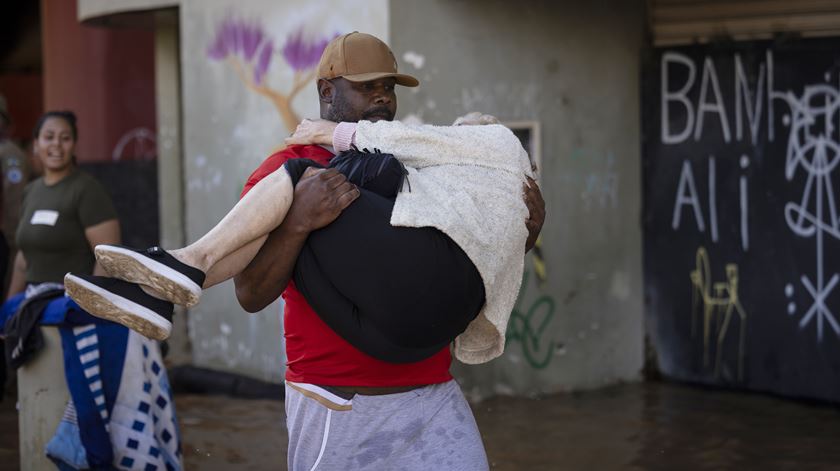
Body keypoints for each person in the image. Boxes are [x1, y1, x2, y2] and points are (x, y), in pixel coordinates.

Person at [82, 33, 544, 469]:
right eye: (367, 87)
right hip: (335, 401)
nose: (382, 98)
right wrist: (297, 222)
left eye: (388, 87)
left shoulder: (409, 163)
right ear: (327, 92)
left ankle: (173, 275)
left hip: (431, 391)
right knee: (305, 183)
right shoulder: (282, 171)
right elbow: (252, 293)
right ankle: (174, 276)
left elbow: (459, 254)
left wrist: (523, 230)